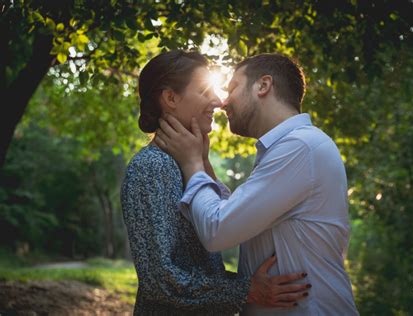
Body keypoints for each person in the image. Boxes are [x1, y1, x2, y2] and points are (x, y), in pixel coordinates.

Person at [155, 53, 359, 315]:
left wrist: (192, 164)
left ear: (263, 85)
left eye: (232, 88)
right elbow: (240, 215)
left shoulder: (299, 147)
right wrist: (205, 163)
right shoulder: (292, 147)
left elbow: (218, 230)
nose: (223, 102)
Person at [120, 50, 310, 316]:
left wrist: (202, 163)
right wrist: (247, 290)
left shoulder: (189, 163)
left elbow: (226, 219)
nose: (218, 101)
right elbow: (160, 280)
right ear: (171, 98)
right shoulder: (152, 167)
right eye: (204, 91)